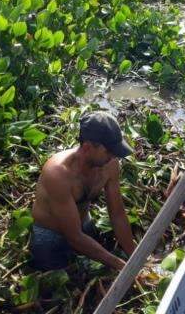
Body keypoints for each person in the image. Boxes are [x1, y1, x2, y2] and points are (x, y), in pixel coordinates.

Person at [30, 111, 137, 271]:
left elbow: (117, 214)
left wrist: (135, 257)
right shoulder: (59, 173)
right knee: (59, 278)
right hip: (50, 233)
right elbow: (74, 236)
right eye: (108, 151)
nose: (113, 156)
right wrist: (119, 265)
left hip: (82, 225)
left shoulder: (110, 165)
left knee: (97, 262)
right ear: (87, 147)